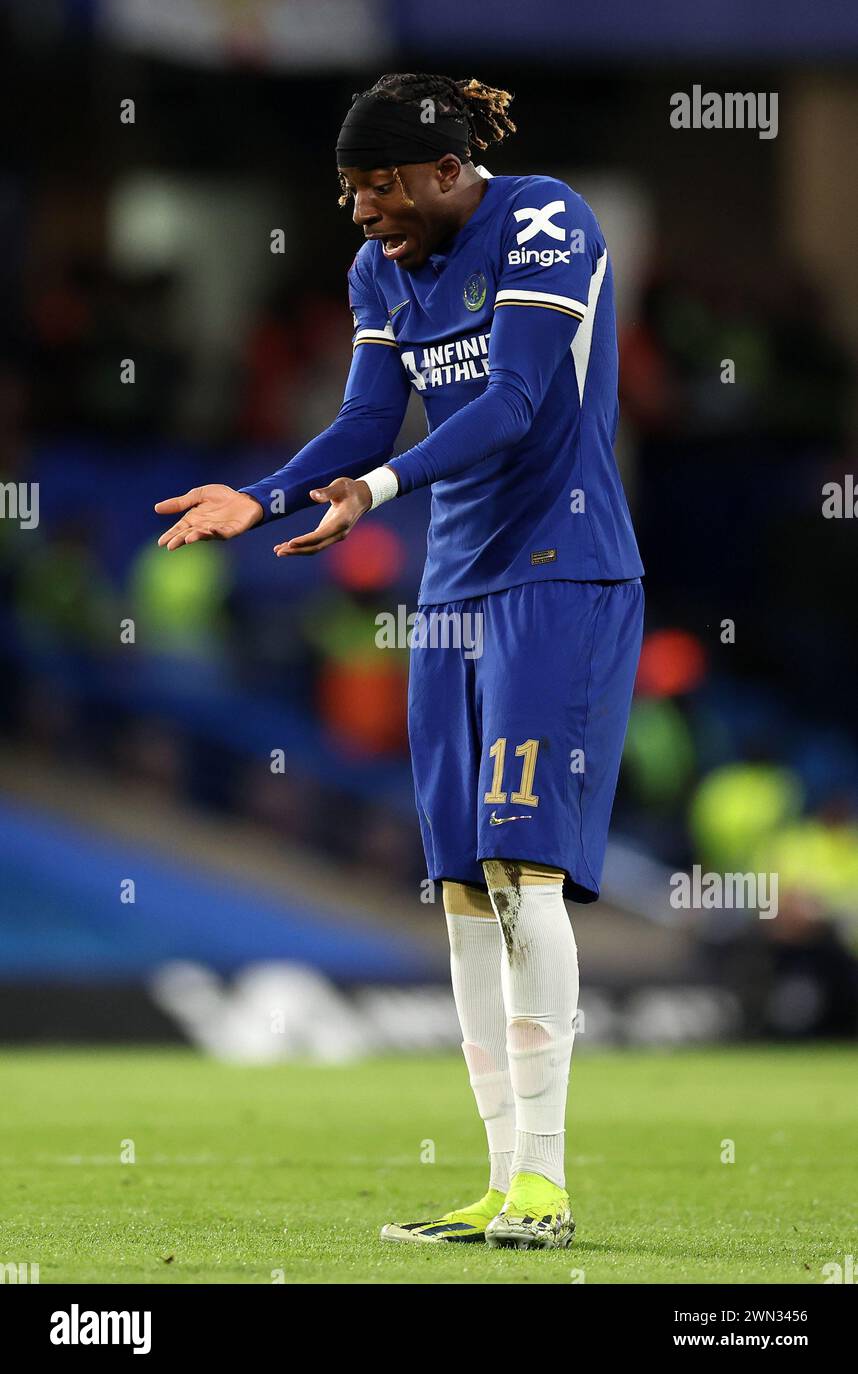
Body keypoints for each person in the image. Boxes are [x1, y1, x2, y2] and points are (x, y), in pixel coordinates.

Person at [155, 72, 644, 1250]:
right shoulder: (384, 268)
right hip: (454, 587)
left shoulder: (542, 216)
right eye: (349, 192)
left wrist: (375, 496)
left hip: (560, 568)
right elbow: (368, 421)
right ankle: (496, 1180)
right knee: (465, 887)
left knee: (525, 866)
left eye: (380, 188)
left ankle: (548, 1183)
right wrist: (264, 493)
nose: (363, 212)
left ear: (445, 169)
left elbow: (519, 403)